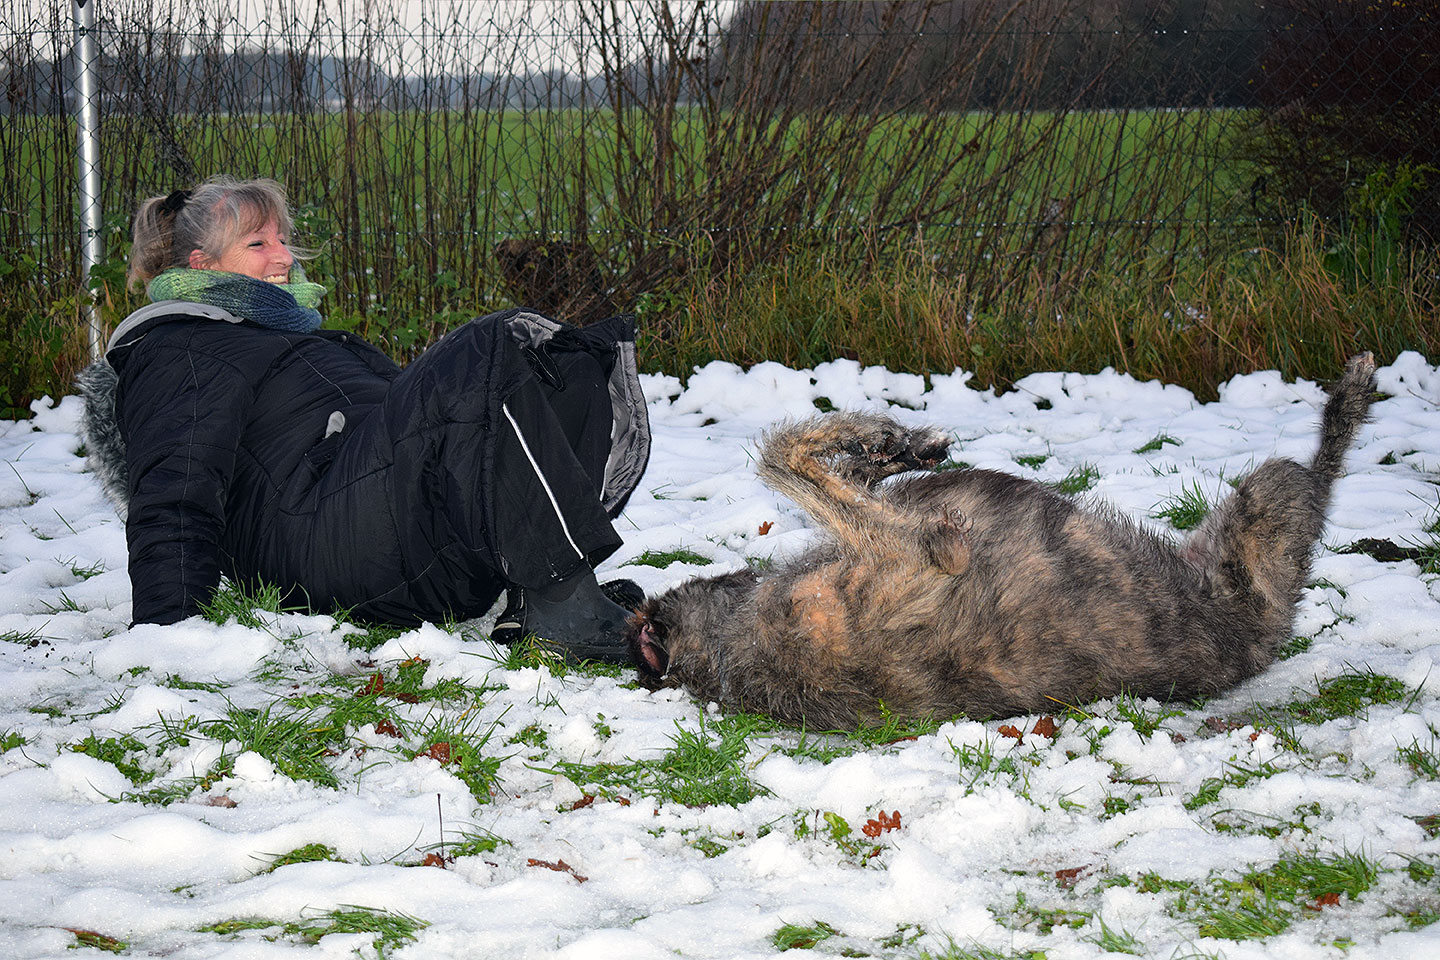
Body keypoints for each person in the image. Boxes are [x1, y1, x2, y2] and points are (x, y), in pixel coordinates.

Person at [77, 175, 650, 662]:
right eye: (258, 243)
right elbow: (175, 485)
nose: (284, 256)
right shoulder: (181, 344)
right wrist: (169, 631)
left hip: (386, 521)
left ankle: (537, 590)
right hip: (320, 540)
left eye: (283, 238)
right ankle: (563, 606)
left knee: (565, 361)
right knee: (489, 348)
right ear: (202, 264)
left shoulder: (298, 334)